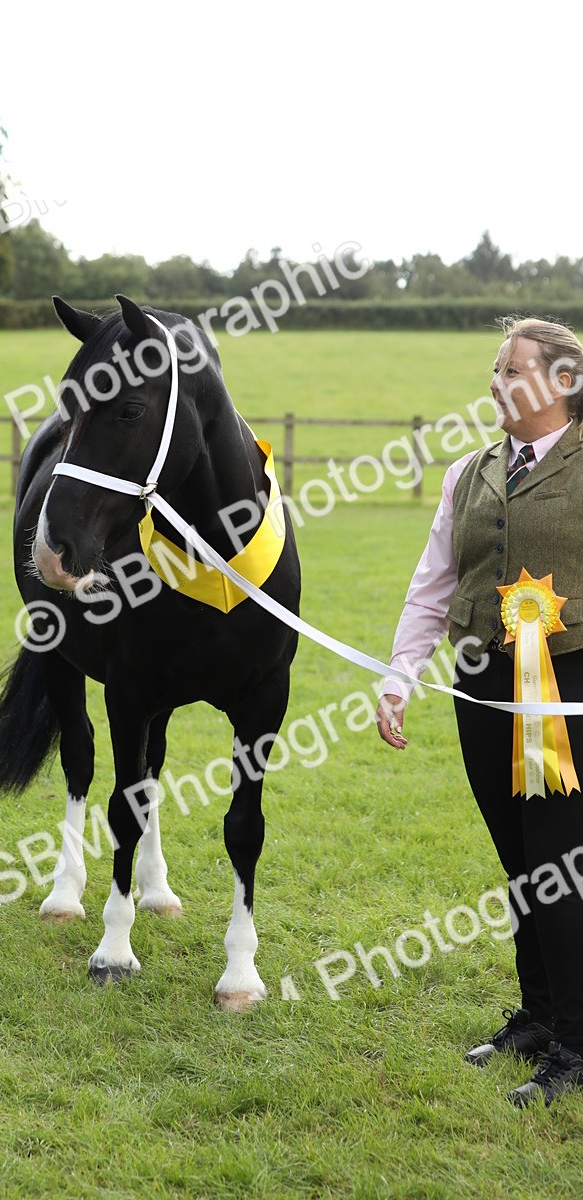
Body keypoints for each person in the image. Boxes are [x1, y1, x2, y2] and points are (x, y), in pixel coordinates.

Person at [376, 316, 583, 1108]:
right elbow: (433, 583)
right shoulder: (469, 472)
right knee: (521, 864)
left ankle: (575, 1044)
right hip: (480, 685)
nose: (496, 382)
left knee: (559, 866)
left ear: (562, 381)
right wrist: (400, 676)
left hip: (567, 689)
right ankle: (539, 1014)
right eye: (496, 368)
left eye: (512, 369)